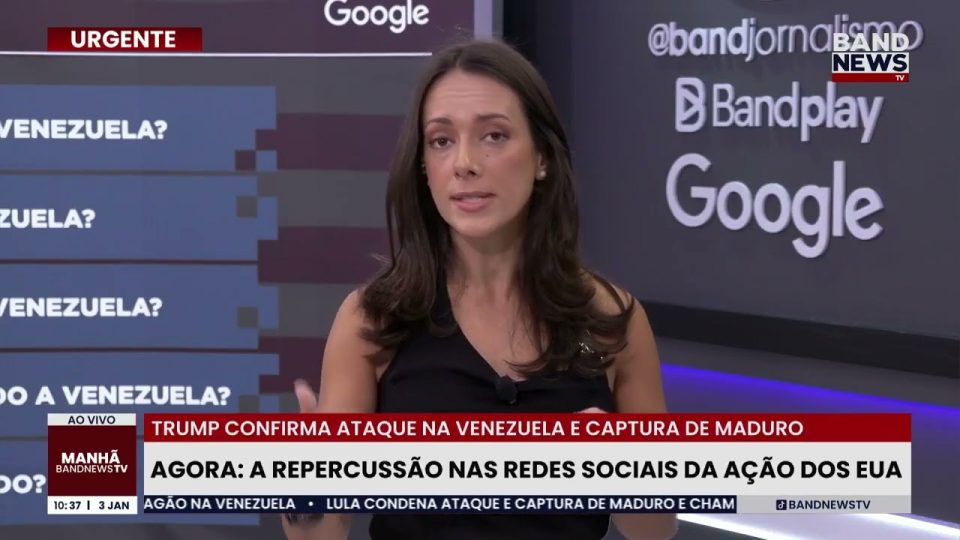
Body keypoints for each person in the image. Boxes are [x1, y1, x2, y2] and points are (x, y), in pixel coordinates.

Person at [283, 38, 677, 540]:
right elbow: (322, 532)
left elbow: (655, 529)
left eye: (493, 135)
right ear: (423, 166)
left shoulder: (611, 319)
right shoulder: (372, 319)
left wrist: (626, 471)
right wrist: (306, 488)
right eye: (441, 141)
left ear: (542, 157)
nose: (464, 163)